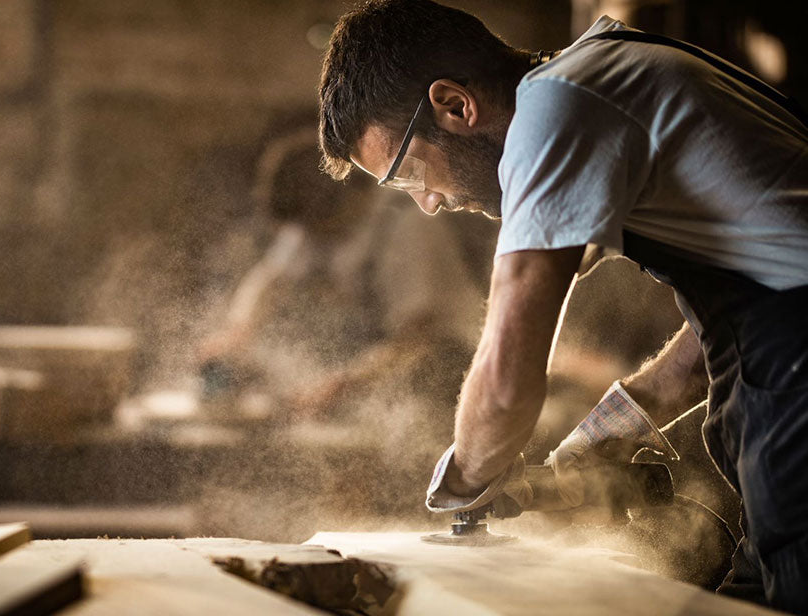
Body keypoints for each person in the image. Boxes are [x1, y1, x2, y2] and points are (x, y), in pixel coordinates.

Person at [317, 1, 807, 612]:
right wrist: (629, 415)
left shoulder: (555, 107)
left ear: (454, 106)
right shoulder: (598, 79)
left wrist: (464, 483)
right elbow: (758, 298)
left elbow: (505, 383)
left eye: (409, 172)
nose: (429, 204)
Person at [198, 128, 485, 465]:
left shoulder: (408, 228)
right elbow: (270, 280)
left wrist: (344, 384)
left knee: (409, 457)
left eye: (317, 228)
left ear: (348, 200)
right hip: (379, 369)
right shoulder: (315, 222)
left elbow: (419, 337)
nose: (307, 239)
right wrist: (238, 331)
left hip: (449, 370)